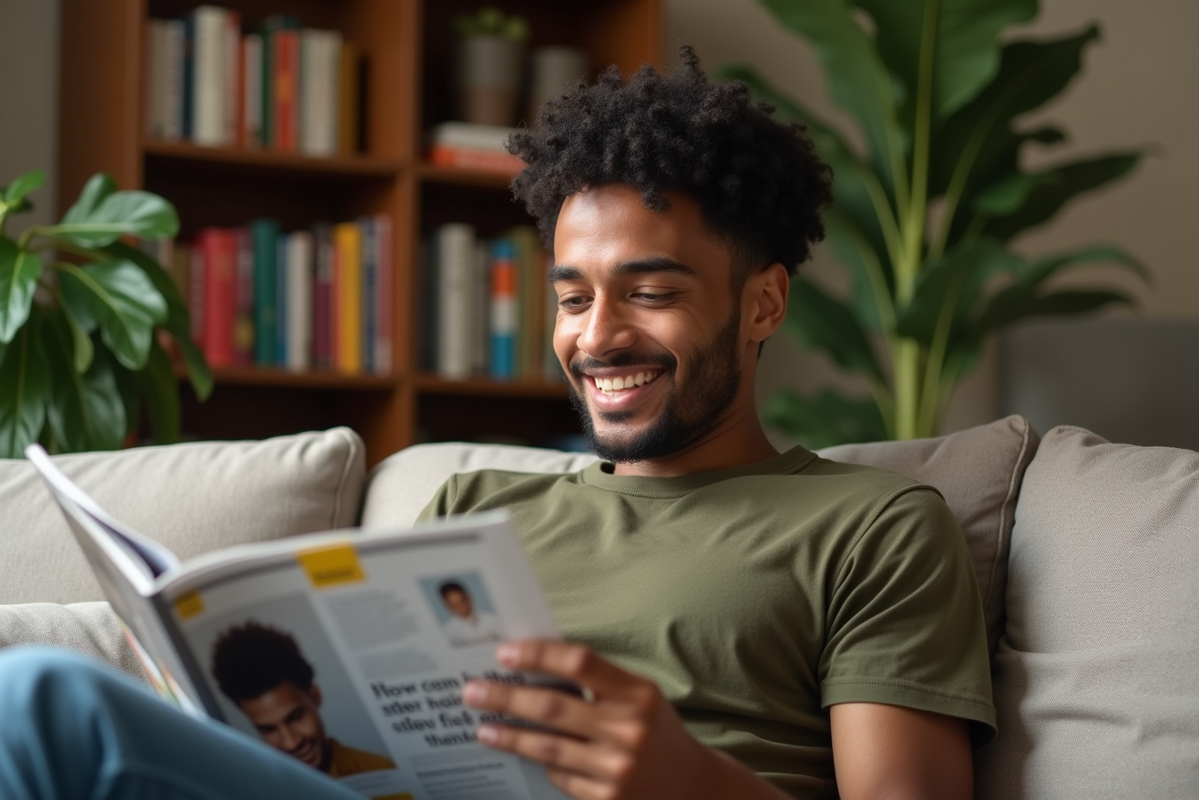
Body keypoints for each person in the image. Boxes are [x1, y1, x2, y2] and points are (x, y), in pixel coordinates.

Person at [0, 48, 992, 800]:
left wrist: (688, 777)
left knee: (42, 703)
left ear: (764, 303)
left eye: (649, 291)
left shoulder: (874, 525)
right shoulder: (476, 505)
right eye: (571, 297)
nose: (597, 336)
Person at [210, 621, 396, 778]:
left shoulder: (384, 770)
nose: (291, 742)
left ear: (316, 696)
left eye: (296, 717)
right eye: (268, 730)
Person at [437, 580, 503, 647]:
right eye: (455, 605)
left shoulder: (493, 619)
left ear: (469, 598)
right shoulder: (449, 631)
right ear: (448, 606)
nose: (461, 607)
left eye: (462, 601)